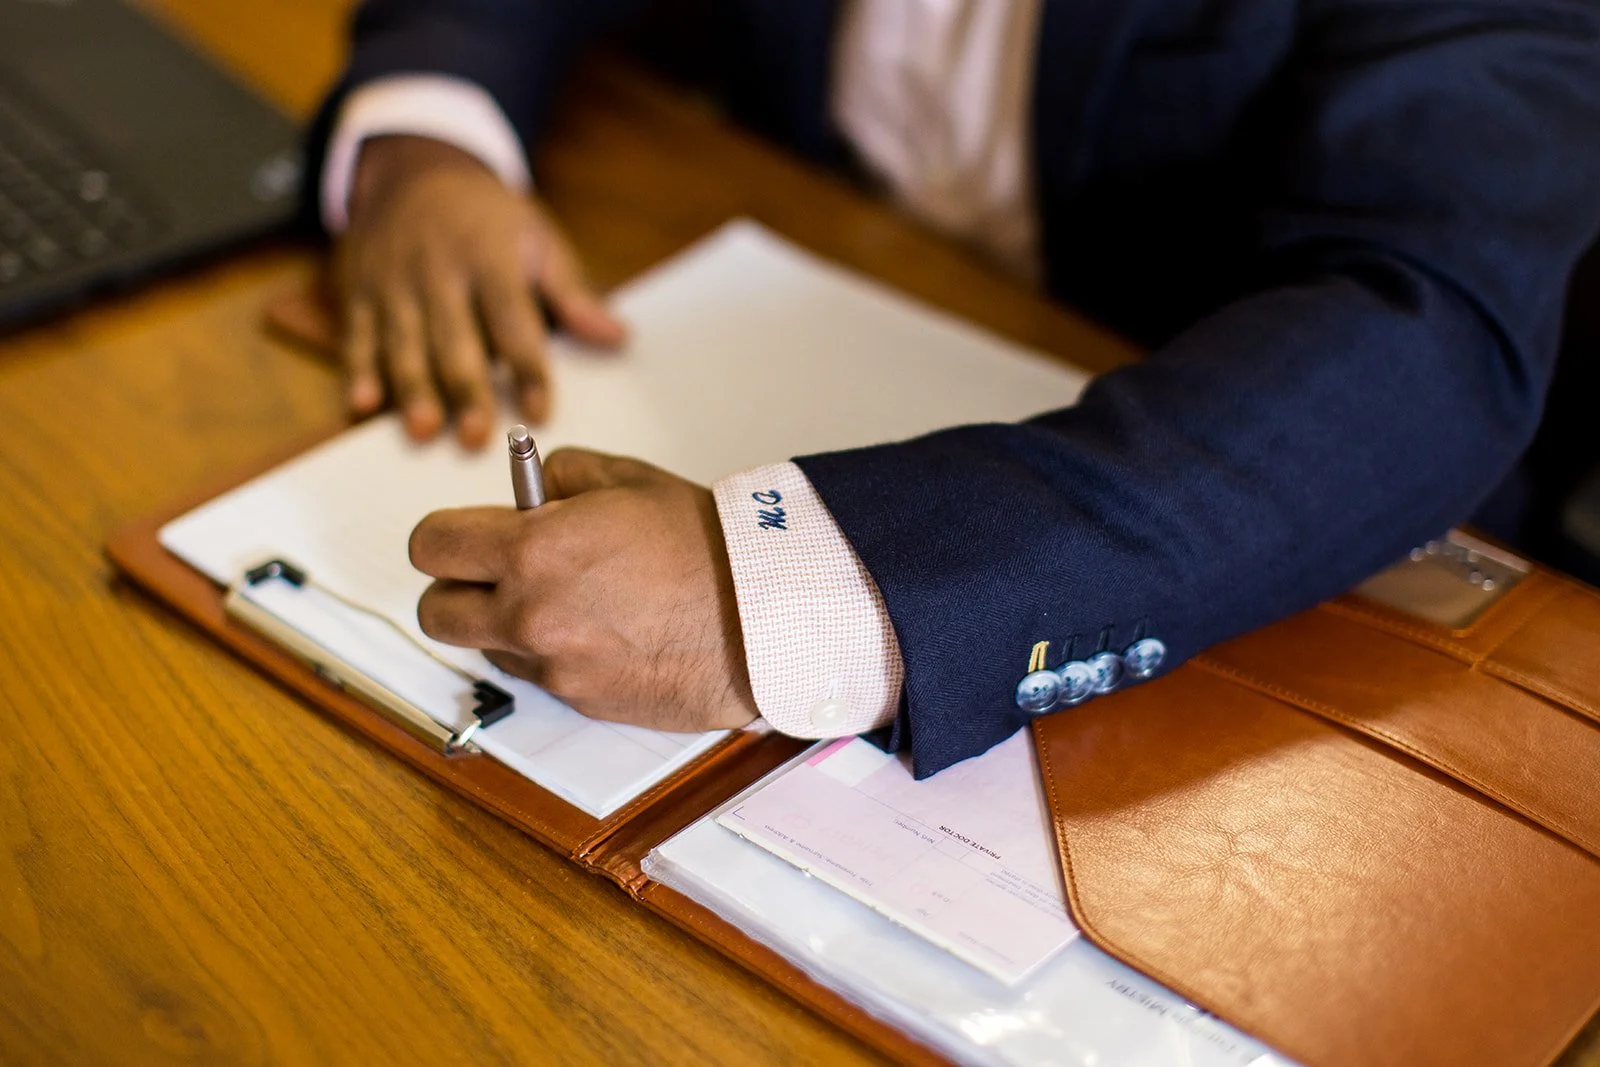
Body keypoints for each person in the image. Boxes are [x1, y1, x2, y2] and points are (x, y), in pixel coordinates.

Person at [311, 0, 1600, 777]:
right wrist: (435, 125)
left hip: (1267, 568)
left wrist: (807, 590)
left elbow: (1426, 321)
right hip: (803, 279)